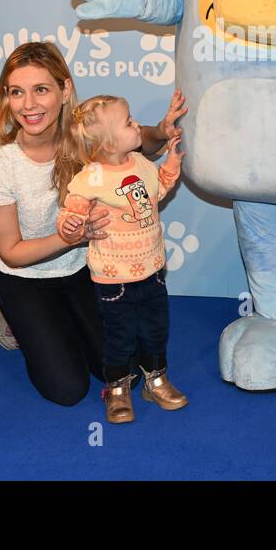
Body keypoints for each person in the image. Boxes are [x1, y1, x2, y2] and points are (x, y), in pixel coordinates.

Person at [0, 41, 185, 406]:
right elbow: (11, 252)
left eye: (41, 89)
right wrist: (74, 236)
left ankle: (59, 318)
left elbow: (138, 142)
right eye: (16, 92)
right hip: (21, 275)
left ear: (64, 89)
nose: (29, 105)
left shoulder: (86, 140)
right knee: (67, 389)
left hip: (82, 269)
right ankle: (9, 320)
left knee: (123, 372)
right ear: (6, 98)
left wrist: (163, 132)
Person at [56, 96, 186, 423]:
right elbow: (71, 211)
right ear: (109, 142)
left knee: (156, 329)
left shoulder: (141, 164)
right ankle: (117, 388)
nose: (136, 124)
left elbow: (157, 193)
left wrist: (170, 164)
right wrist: (70, 223)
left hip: (153, 269)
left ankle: (155, 380)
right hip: (113, 278)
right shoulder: (91, 178)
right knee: (120, 335)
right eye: (129, 122)